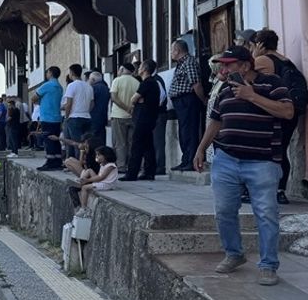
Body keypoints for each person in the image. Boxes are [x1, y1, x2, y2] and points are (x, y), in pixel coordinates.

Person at [195, 46, 296, 286]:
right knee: (224, 211)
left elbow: (288, 112)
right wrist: (200, 149)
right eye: (222, 64)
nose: (223, 69)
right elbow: (216, 122)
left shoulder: (273, 84)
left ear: (245, 65)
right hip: (226, 159)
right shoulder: (225, 90)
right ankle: (234, 254)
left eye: (228, 64)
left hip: (262, 161)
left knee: (266, 214)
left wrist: (251, 96)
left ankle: (268, 265)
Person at [251, 29, 308, 204]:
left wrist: (254, 56)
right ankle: (281, 190)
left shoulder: (261, 61)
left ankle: (268, 188)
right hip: (291, 111)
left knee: (270, 150)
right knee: (282, 150)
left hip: (273, 111)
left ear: (259, 44)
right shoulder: (286, 61)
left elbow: (246, 76)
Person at [169, 40, 207, 172]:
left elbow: (195, 83)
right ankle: (185, 159)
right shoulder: (181, 64)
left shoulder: (189, 62)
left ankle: (191, 160)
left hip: (188, 100)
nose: (171, 53)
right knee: (183, 131)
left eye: (172, 50)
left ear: (177, 50)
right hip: (180, 102)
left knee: (189, 130)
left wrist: (203, 100)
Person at [123, 59, 162, 181]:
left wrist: (138, 100)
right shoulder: (153, 83)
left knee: (137, 145)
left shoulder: (147, 83)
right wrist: (140, 100)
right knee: (148, 146)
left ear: (145, 69)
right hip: (149, 118)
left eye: (140, 66)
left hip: (143, 118)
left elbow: (133, 99)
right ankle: (149, 172)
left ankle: (131, 174)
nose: (138, 69)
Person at [32, 67, 65, 170]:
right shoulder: (59, 87)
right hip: (57, 117)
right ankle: (58, 161)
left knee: (48, 140)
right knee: (55, 140)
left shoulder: (47, 85)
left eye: (47, 72)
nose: (46, 74)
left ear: (50, 73)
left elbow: (34, 98)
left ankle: (50, 162)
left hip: (47, 116)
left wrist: (40, 101)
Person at [68, 146, 120, 212]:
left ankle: (83, 208)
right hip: (102, 181)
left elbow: (101, 177)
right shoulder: (102, 164)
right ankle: (80, 181)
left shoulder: (111, 166)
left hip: (107, 184)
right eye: (96, 155)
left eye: (99, 155)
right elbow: (99, 176)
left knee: (84, 188)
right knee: (89, 170)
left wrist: (87, 180)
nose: (97, 156)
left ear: (106, 155)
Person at [109, 63, 139, 171]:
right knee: (132, 142)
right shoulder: (137, 82)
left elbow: (113, 97)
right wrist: (130, 109)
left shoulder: (117, 80)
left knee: (120, 142)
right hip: (132, 115)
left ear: (122, 69)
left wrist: (125, 108)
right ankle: (132, 165)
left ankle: (121, 165)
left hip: (118, 115)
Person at [61, 64, 93, 160]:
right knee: (85, 142)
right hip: (87, 117)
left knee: (75, 143)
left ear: (72, 73)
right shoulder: (89, 86)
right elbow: (92, 104)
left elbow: (68, 104)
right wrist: (86, 111)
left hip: (74, 117)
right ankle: (86, 162)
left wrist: (67, 117)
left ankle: (77, 164)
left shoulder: (71, 85)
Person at [89, 70, 110, 150]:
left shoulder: (94, 88)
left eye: (90, 79)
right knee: (102, 138)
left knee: (92, 139)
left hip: (94, 116)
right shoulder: (106, 88)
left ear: (93, 80)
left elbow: (91, 102)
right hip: (103, 116)